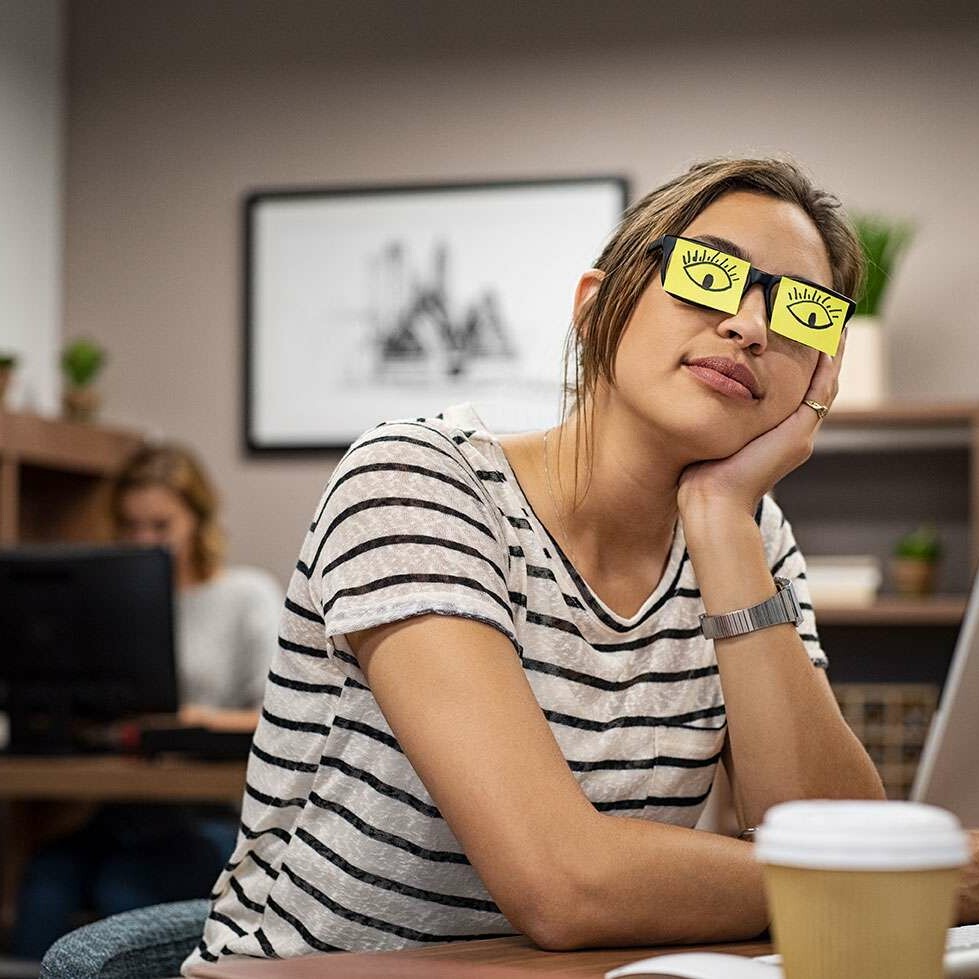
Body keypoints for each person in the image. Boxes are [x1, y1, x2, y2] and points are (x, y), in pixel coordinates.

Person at [185, 157, 979, 971]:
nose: (749, 326)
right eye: (707, 273)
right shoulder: (419, 478)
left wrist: (720, 523)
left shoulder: (752, 534)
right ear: (597, 307)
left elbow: (820, 830)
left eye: (803, 313)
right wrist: (936, 880)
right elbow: (561, 885)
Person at [12, 444, 283, 961]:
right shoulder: (102, 601)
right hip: (118, 807)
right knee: (46, 882)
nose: (144, 541)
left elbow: (281, 716)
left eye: (160, 526)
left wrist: (197, 723)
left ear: (197, 520)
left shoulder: (246, 595)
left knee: (125, 887)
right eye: (130, 526)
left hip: (203, 812)